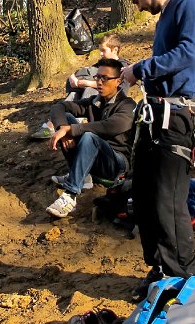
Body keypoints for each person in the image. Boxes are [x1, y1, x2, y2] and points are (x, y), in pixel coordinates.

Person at [120, 0, 195, 302]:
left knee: (168, 203)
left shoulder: (190, 4)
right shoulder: (167, 16)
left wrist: (140, 69)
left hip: (178, 116)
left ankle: (184, 278)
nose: (138, 8)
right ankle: (160, 269)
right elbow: (170, 61)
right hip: (156, 115)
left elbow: (188, 54)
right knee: (143, 196)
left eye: (135, 0)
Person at [45, 58, 135, 218]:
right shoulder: (95, 101)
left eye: (105, 78)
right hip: (95, 155)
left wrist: (72, 129)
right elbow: (59, 107)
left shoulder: (128, 106)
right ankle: (81, 175)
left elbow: (109, 126)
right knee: (66, 118)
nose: (99, 82)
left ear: (118, 81)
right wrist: (62, 129)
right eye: (97, 77)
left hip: (117, 164)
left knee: (88, 136)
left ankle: (70, 195)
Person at [32, 34, 128, 140]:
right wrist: (73, 78)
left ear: (115, 50)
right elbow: (86, 72)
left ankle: (75, 124)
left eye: (104, 50)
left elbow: (118, 88)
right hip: (91, 97)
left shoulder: (122, 67)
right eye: (99, 50)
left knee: (89, 89)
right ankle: (53, 124)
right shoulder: (100, 65)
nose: (100, 54)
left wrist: (87, 83)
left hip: (104, 101)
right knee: (74, 93)